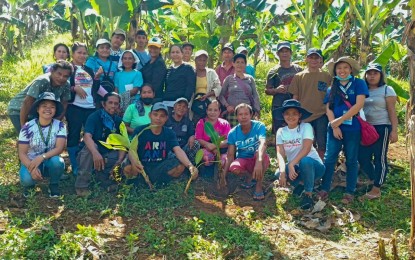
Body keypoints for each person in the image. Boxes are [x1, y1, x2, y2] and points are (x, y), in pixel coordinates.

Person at [318, 56, 369, 204]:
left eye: (345, 67)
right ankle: (324, 188)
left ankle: (349, 191)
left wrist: (338, 122)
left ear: (351, 69)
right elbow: (328, 108)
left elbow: (358, 105)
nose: (342, 71)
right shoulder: (332, 87)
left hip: (353, 128)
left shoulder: (358, 84)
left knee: (352, 159)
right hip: (334, 129)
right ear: (335, 71)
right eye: (339, 68)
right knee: (329, 158)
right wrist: (334, 126)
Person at [123, 102, 198, 186]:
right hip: (142, 165)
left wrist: (190, 165)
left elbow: (178, 150)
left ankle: (158, 183)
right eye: (155, 115)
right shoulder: (140, 130)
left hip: (160, 165)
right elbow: (131, 150)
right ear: (150, 115)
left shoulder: (169, 133)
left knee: (180, 166)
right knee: (128, 167)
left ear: (166, 118)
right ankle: (137, 183)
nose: (158, 118)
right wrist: (134, 162)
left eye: (162, 116)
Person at [274, 99, 325, 209]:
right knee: (278, 173)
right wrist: (283, 171)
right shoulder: (281, 131)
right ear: (283, 115)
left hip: (314, 167)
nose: (291, 117)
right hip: (296, 167)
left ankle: (308, 194)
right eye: (287, 114)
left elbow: (306, 149)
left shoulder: (306, 127)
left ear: (300, 115)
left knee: (305, 161)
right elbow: (280, 153)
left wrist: (292, 164)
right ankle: (301, 184)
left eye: (294, 114)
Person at [358, 63, 398, 200]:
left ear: (380, 75)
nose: (372, 76)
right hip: (366, 129)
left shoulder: (387, 89)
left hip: (382, 126)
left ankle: (376, 189)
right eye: (369, 73)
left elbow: (392, 111)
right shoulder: (363, 90)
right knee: (362, 156)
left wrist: (394, 130)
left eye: (375, 73)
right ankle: (373, 178)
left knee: (379, 157)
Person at [75, 92, 126, 196]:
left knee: (127, 156)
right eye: (110, 102)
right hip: (92, 153)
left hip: (109, 154)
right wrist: (95, 153)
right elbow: (87, 136)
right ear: (104, 104)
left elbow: (122, 143)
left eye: (116, 104)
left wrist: (120, 161)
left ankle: (109, 181)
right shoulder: (94, 117)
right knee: (90, 148)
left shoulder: (119, 121)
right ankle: (81, 185)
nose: (113, 106)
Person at [18, 92, 67, 197]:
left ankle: (54, 184)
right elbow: (22, 153)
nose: (48, 109)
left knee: (58, 162)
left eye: (52, 107)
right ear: (37, 109)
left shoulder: (60, 126)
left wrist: (42, 157)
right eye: (44, 106)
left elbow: (59, 148)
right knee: (26, 179)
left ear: (55, 110)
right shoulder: (27, 127)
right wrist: (32, 168)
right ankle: (30, 186)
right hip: (31, 160)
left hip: (49, 159)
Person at [289, 48, 332, 159]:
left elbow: (331, 97)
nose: (313, 60)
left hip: (321, 114)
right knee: (306, 143)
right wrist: (295, 114)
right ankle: (305, 166)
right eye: (311, 57)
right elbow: (295, 97)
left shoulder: (327, 76)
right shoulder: (299, 76)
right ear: (306, 59)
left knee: (322, 143)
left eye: (316, 57)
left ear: (320, 59)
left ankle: (320, 166)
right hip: (304, 115)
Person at [7, 60, 72, 133]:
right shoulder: (42, 81)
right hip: (18, 109)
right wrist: (24, 127)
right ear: (52, 71)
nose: (61, 78)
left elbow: (64, 104)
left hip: (36, 111)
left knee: (38, 137)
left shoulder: (66, 85)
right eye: (59, 74)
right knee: (27, 136)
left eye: (65, 76)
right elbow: (27, 103)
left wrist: (55, 123)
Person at [222, 103, 270, 201]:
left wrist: (259, 161)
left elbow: (263, 143)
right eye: (240, 114)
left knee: (262, 156)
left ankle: (258, 185)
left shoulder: (259, 126)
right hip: (243, 159)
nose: (243, 117)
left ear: (251, 115)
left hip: (257, 158)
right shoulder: (233, 132)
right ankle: (249, 177)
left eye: (246, 114)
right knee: (234, 167)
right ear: (236, 116)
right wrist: (223, 176)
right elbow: (230, 155)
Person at [66, 42, 99, 176]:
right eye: (79, 52)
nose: (82, 55)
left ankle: (87, 163)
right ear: (73, 54)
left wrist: (96, 79)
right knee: (74, 135)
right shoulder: (69, 69)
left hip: (90, 108)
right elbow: (60, 84)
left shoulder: (89, 70)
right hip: (75, 107)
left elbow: (94, 90)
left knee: (90, 135)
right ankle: (75, 165)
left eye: (84, 53)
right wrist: (74, 88)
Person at [265, 42, 302, 134]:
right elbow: (267, 90)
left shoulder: (299, 69)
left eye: (287, 51)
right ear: (277, 54)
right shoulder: (273, 71)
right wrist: (276, 90)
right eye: (282, 51)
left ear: (291, 53)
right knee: (279, 132)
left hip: (295, 105)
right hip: (279, 105)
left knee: (296, 130)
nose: (284, 53)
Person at [219, 53, 260, 127]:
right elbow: (221, 95)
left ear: (245, 64)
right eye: (237, 62)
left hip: (247, 113)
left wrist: (257, 110)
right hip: (232, 113)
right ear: (233, 64)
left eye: (242, 62)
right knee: (233, 135)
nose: (239, 64)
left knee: (247, 136)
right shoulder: (229, 79)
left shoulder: (250, 79)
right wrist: (227, 106)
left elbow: (255, 95)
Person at [195, 100, 231, 177]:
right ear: (206, 110)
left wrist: (215, 146)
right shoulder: (201, 123)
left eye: (215, 110)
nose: (212, 112)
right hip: (207, 148)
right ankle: (208, 173)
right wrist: (208, 145)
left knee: (224, 160)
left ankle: (222, 176)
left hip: (221, 149)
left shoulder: (225, 123)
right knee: (207, 157)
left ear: (219, 111)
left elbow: (228, 140)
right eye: (210, 110)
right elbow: (198, 138)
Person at [165, 98, 200, 164]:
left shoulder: (188, 122)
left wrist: (192, 136)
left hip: (183, 148)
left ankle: (191, 167)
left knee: (196, 143)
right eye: (179, 105)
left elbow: (192, 133)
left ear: (186, 110)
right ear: (174, 107)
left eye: (184, 106)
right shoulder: (167, 119)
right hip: (169, 148)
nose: (181, 108)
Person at [192, 50, 221, 122]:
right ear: (195, 61)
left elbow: (218, 87)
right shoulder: (191, 72)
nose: (202, 62)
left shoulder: (211, 72)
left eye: (204, 60)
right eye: (199, 60)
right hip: (194, 104)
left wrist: (207, 95)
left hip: (209, 103)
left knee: (209, 124)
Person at [140, 37, 167, 103]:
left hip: (154, 98)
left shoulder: (160, 63)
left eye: (156, 48)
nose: (153, 50)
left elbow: (156, 84)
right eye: (151, 47)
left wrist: (148, 95)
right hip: (147, 96)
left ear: (160, 49)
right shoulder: (149, 62)